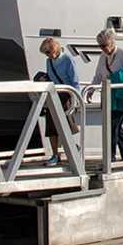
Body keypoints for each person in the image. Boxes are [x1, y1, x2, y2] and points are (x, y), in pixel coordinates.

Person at [90, 28, 123, 162]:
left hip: (120, 96)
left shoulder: (122, 54)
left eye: (103, 46)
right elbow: (98, 75)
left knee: (112, 126)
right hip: (108, 95)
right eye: (100, 46)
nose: (102, 49)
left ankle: (110, 158)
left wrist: (118, 79)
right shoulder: (103, 57)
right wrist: (91, 89)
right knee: (116, 126)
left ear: (111, 43)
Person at [39, 37, 80, 166]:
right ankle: (55, 155)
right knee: (51, 126)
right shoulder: (49, 61)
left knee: (64, 125)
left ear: (54, 50)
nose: (47, 55)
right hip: (53, 94)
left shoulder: (68, 60)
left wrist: (76, 99)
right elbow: (50, 76)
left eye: (47, 52)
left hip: (65, 94)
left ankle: (73, 148)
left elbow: (74, 80)